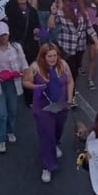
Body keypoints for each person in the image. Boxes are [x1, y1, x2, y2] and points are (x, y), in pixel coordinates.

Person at [23, 41, 73, 183]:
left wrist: (69, 98)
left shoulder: (63, 64)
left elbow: (69, 81)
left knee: (58, 129)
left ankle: (55, 144)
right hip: (43, 108)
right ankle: (47, 166)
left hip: (61, 105)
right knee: (46, 135)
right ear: (43, 56)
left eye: (54, 55)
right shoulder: (35, 67)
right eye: (49, 56)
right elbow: (25, 82)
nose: (53, 58)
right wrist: (36, 86)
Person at [0, 22, 27, 153]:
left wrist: (25, 73)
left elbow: (23, 62)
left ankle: (10, 130)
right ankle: (1, 139)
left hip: (12, 82)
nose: (4, 37)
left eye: (5, 34)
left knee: (12, 110)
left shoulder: (16, 47)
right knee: (1, 113)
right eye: (1, 35)